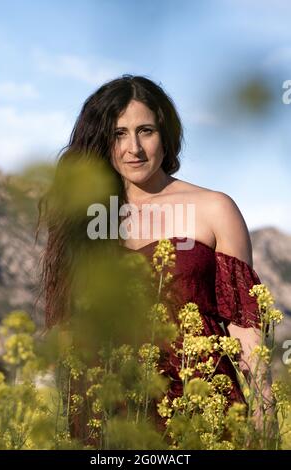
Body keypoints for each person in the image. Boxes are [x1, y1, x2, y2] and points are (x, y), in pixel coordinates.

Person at [40, 74, 271, 446]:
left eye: (145, 130)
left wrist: (263, 403)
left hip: (200, 403)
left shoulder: (214, 208)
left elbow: (243, 323)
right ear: (102, 140)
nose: (134, 148)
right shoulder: (83, 217)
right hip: (107, 406)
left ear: (165, 135)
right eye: (118, 134)